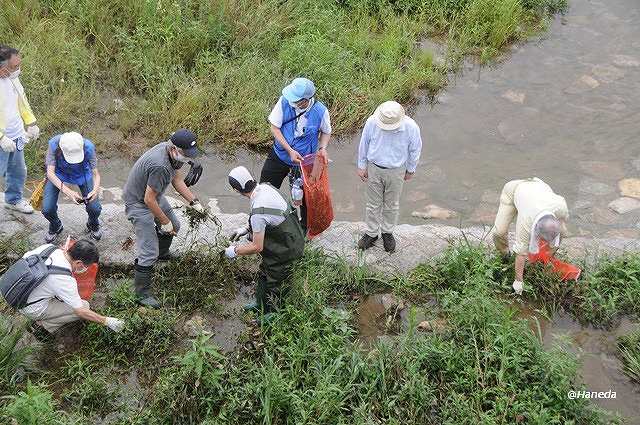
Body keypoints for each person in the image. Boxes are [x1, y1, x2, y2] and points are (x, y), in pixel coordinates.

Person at [123, 129, 205, 308]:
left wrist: (193, 201)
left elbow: (176, 180)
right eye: (185, 154)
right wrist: (164, 222)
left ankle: (163, 253)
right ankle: (141, 294)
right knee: (148, 250)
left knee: (175, 225)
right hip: (138, 203)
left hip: (154, 196)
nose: (187, 158)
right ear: (175, 148)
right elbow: (148, 200)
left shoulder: (171, 154)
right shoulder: (160, 165)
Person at [225, 166, 305, 318]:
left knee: (275, 281)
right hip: (290, 234)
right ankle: (259, 303)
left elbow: (257, 246)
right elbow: (266, 217)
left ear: (236, 190)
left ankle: (274, 314)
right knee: (264, 272)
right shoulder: (265, 187)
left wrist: (234, 251)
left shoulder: (258, 212)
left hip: (288, 247)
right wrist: (246, 229)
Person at [260, 77, 332, 231]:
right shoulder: (284, 101)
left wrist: (322, 148)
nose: (291, 101)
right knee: (265, 189)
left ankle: (304, 228)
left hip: (305, 162)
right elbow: (274, 128)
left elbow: (326, 132)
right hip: (280, 155)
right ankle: (263, 224)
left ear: (306, 100)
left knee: (307, 197)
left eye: (296, 100)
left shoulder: (320, 111)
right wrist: (289, 150)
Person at [17, 240, 124, 340]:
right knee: (84, 306)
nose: (85, 269)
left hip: (18, 291)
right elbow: (81, 312)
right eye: (85, 266)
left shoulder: (49, 248)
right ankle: (42, 327)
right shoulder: (65, 279)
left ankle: (43, 313)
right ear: (79, 263)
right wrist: (106, 321)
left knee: (61, 296)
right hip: (30, 308)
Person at [356, 101, 423, 253]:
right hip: (374, 168)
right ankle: (371, 233)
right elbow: (364, 143)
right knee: (373, 204)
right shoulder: (372, 122)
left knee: (392, 204)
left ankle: (387, 232)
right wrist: (362, 165)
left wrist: (411, 169)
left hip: (397, 170)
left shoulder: (411, 127)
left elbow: (415, 149)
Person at [492, 177, 569, 295]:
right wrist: (518, 281)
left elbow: (562, 230)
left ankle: (545, 259)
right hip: (513, 191)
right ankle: (505, 256)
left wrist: (548, 255)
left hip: (538, 186)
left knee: (564, 232)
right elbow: (521, 253)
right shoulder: (526, 221)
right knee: (499, 232)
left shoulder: (561, 207)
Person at [0, 45, 40, 214]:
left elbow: (22, 102)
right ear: (2, 68)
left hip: (16, 135)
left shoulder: (13, 79)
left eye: (19, 65)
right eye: (14, 67)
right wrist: (1, 137)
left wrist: (31, 123)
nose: (18, 69)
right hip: (3, 139)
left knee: (18, 170)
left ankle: (13, 199)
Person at [42, 132, 102, 242]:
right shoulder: (54, 144)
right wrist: (68, 192)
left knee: (95, 208)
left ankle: (93, 224)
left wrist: (95, 190)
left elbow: (96, 174)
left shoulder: (88, 146)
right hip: (58, 174)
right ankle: (56, 225)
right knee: (47, 209)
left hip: (83, 174)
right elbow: (50, 173)